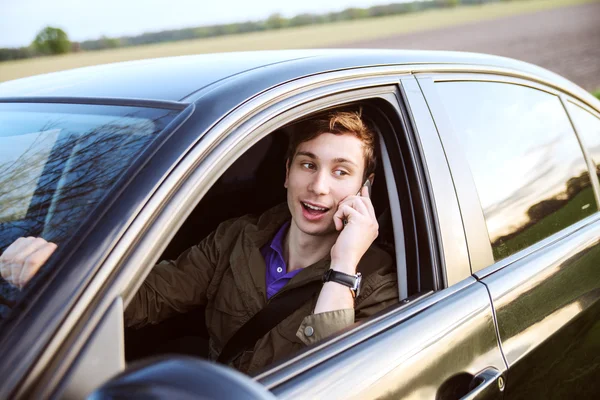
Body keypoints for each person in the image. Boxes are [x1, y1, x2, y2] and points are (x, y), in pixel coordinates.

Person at [0, 109, 399, 374]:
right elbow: (148, 296)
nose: (318, 186)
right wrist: (63, 273)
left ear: (364, 189)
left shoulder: (380, 282)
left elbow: (331, 376)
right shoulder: (237, 237)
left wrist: (344, 265)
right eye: (308, 164)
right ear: (287, 173)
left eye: (341, 172)